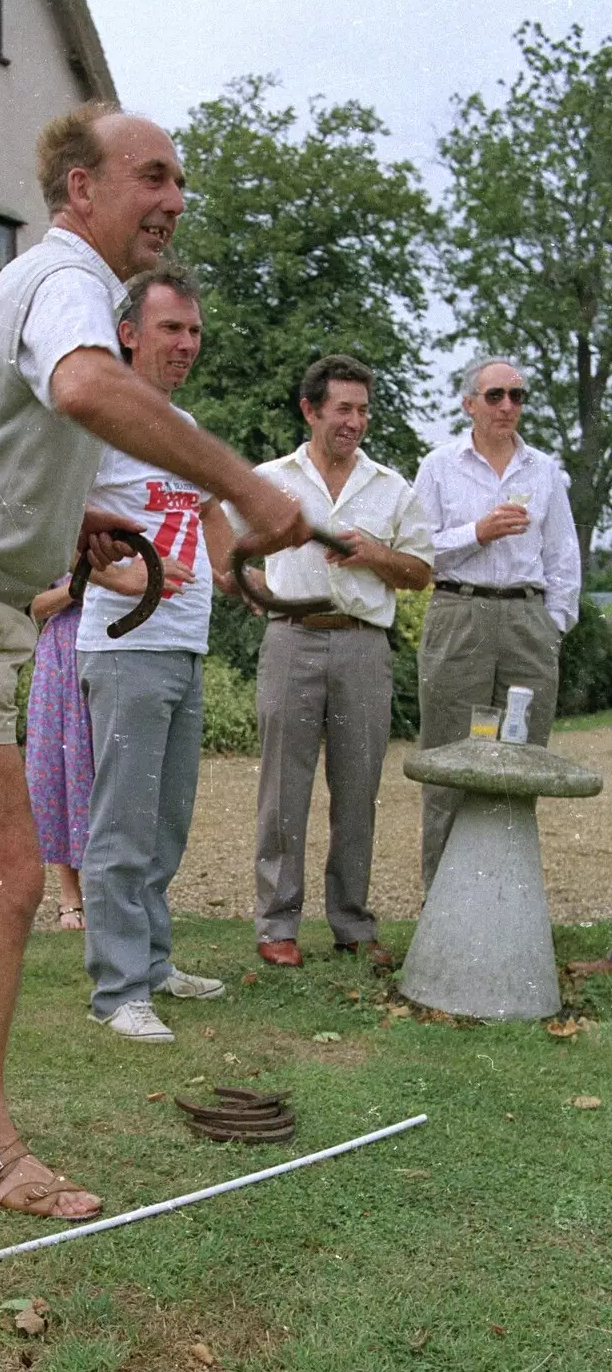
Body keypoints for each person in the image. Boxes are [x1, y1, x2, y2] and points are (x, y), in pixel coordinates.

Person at [0, 102, 312, 1221]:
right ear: (82, 189)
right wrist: (244, 482)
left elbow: (9, 430)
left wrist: (66, 527)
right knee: (13, 873)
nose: (175, 200)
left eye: (180, 184)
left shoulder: (45, 282)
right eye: (153, 177)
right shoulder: (71, 284)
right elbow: (84, 386)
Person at [79, 263, 236, 1041]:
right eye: (171, 328)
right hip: (124, 646)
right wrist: (120, 569)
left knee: (166, 819)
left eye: (194, 331)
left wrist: (237, 567)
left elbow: (207, 515)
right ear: (130, 333)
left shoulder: (184, 432)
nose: (185, 343)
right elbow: (59, 520)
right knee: (122, 820)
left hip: (183, 644)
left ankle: (152, 963)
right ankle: (115, 991)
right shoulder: (99, 424)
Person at [242, 355, 433, 970]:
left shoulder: (390, 487)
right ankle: (277, 924)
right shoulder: (269, 479)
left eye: (362, 410)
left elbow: (421, 571)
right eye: (343, 408)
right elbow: (225, 545)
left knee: (359, 788)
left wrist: (375, 554)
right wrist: (251, 588)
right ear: (311, 410)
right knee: (282, 789)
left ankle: (352, 922)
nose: (355, 421)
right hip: (291, 637)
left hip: (362, 645)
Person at [414, 356, 581, 890]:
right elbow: (417, 555)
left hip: (527, 621)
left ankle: (507, 904)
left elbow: (564, 559)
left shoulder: (545, 472)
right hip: (458, 612)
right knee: (447, 762)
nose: (507, 405)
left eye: (517, 395)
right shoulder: (439, 466)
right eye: (495, 396)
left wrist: (551, 625)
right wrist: (477, 532)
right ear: (469, 404)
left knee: (521, 762)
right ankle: (441, 906)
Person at [24, 577, 94, 931]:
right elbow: (31, 606)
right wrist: (77, 587)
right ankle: (70, 894)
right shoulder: (53, 540)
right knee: (58, 766)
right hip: (62, 655)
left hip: (117, 644)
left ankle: (114, 892)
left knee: (105, 765)